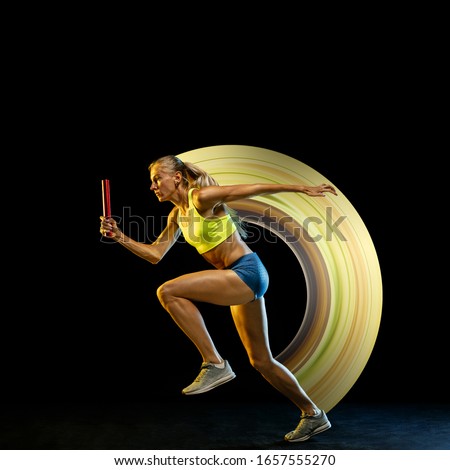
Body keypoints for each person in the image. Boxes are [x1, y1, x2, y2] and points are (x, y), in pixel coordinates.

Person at [100, 154, 337, 442]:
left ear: (176, 178)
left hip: (246, 272)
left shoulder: (201, 198)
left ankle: (214, 364)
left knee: (168, 291)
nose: (152, 186)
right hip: (237, 278)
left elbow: (248, 189)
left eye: (156, 179)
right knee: (261, 361)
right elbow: (155, 255)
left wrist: (302, 189)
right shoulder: (177, 215)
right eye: (151, 182)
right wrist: (119, 236)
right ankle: (313, 415)